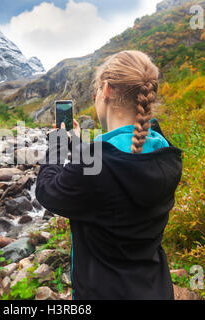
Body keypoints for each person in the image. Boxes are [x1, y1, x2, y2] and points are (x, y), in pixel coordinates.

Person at [35, 50, 183, 300]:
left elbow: (48, 191)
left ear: (106, 90)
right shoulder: (165, 152)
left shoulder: (93, 170)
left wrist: (57, 146)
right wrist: (81, 146)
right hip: (154, 288)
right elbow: (116, 169)